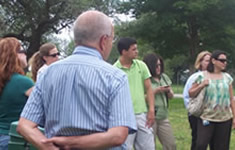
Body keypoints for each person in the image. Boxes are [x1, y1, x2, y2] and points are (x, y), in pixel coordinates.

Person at [17, 10, 136, 150]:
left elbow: (24, 125)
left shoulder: (48, 73)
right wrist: (70, 143)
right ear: (104, 40)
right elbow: (118, 135)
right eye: (111, 39)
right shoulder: (115, 77)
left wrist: (47, 145)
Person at [113, 37, 155, 150]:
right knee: (125, 146)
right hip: (124, 117)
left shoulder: (141, 66)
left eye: (137, 49)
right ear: (124, 52)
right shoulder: (114, 70)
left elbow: (149, 89)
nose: (137, 51)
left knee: (148, 147)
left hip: (142, 114)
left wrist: (151, 109)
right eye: (133, 49)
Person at [189, 50, 235, 150]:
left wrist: (234, 117)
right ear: (213, 61)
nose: (225, 63)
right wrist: (201, 85)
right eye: (222, 60)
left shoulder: (227, 78)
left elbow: (231, 98)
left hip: (224, 118)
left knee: (221, 147)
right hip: (207, 117)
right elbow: (191, 93)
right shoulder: (202, 76)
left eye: (226, 61)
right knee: (201, 144)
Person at [0, 37, 34, 150]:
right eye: (22, 51)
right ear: (14, 55)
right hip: (13, 139)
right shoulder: (24, 83)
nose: (25, 54)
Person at [143, 53, 176, 150]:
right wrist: (156, 91)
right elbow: (142, 98)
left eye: (160, 65)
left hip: (163, 116)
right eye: (156, 65)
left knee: (171, 144)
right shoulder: (145, 79)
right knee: (150, 145)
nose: (159, 68)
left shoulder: (164, 77)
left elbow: (171, 96)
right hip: (150, 116)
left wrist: (168, 91)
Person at [183, 51, 211, 150]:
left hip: (211, 114)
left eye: (211, 60)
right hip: (197, 113)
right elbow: (187, 96)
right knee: (197, 140)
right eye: (207, 61)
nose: (210, 63)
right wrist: (192, 110)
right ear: (200, 62)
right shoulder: (195, 78)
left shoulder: (215, 76)